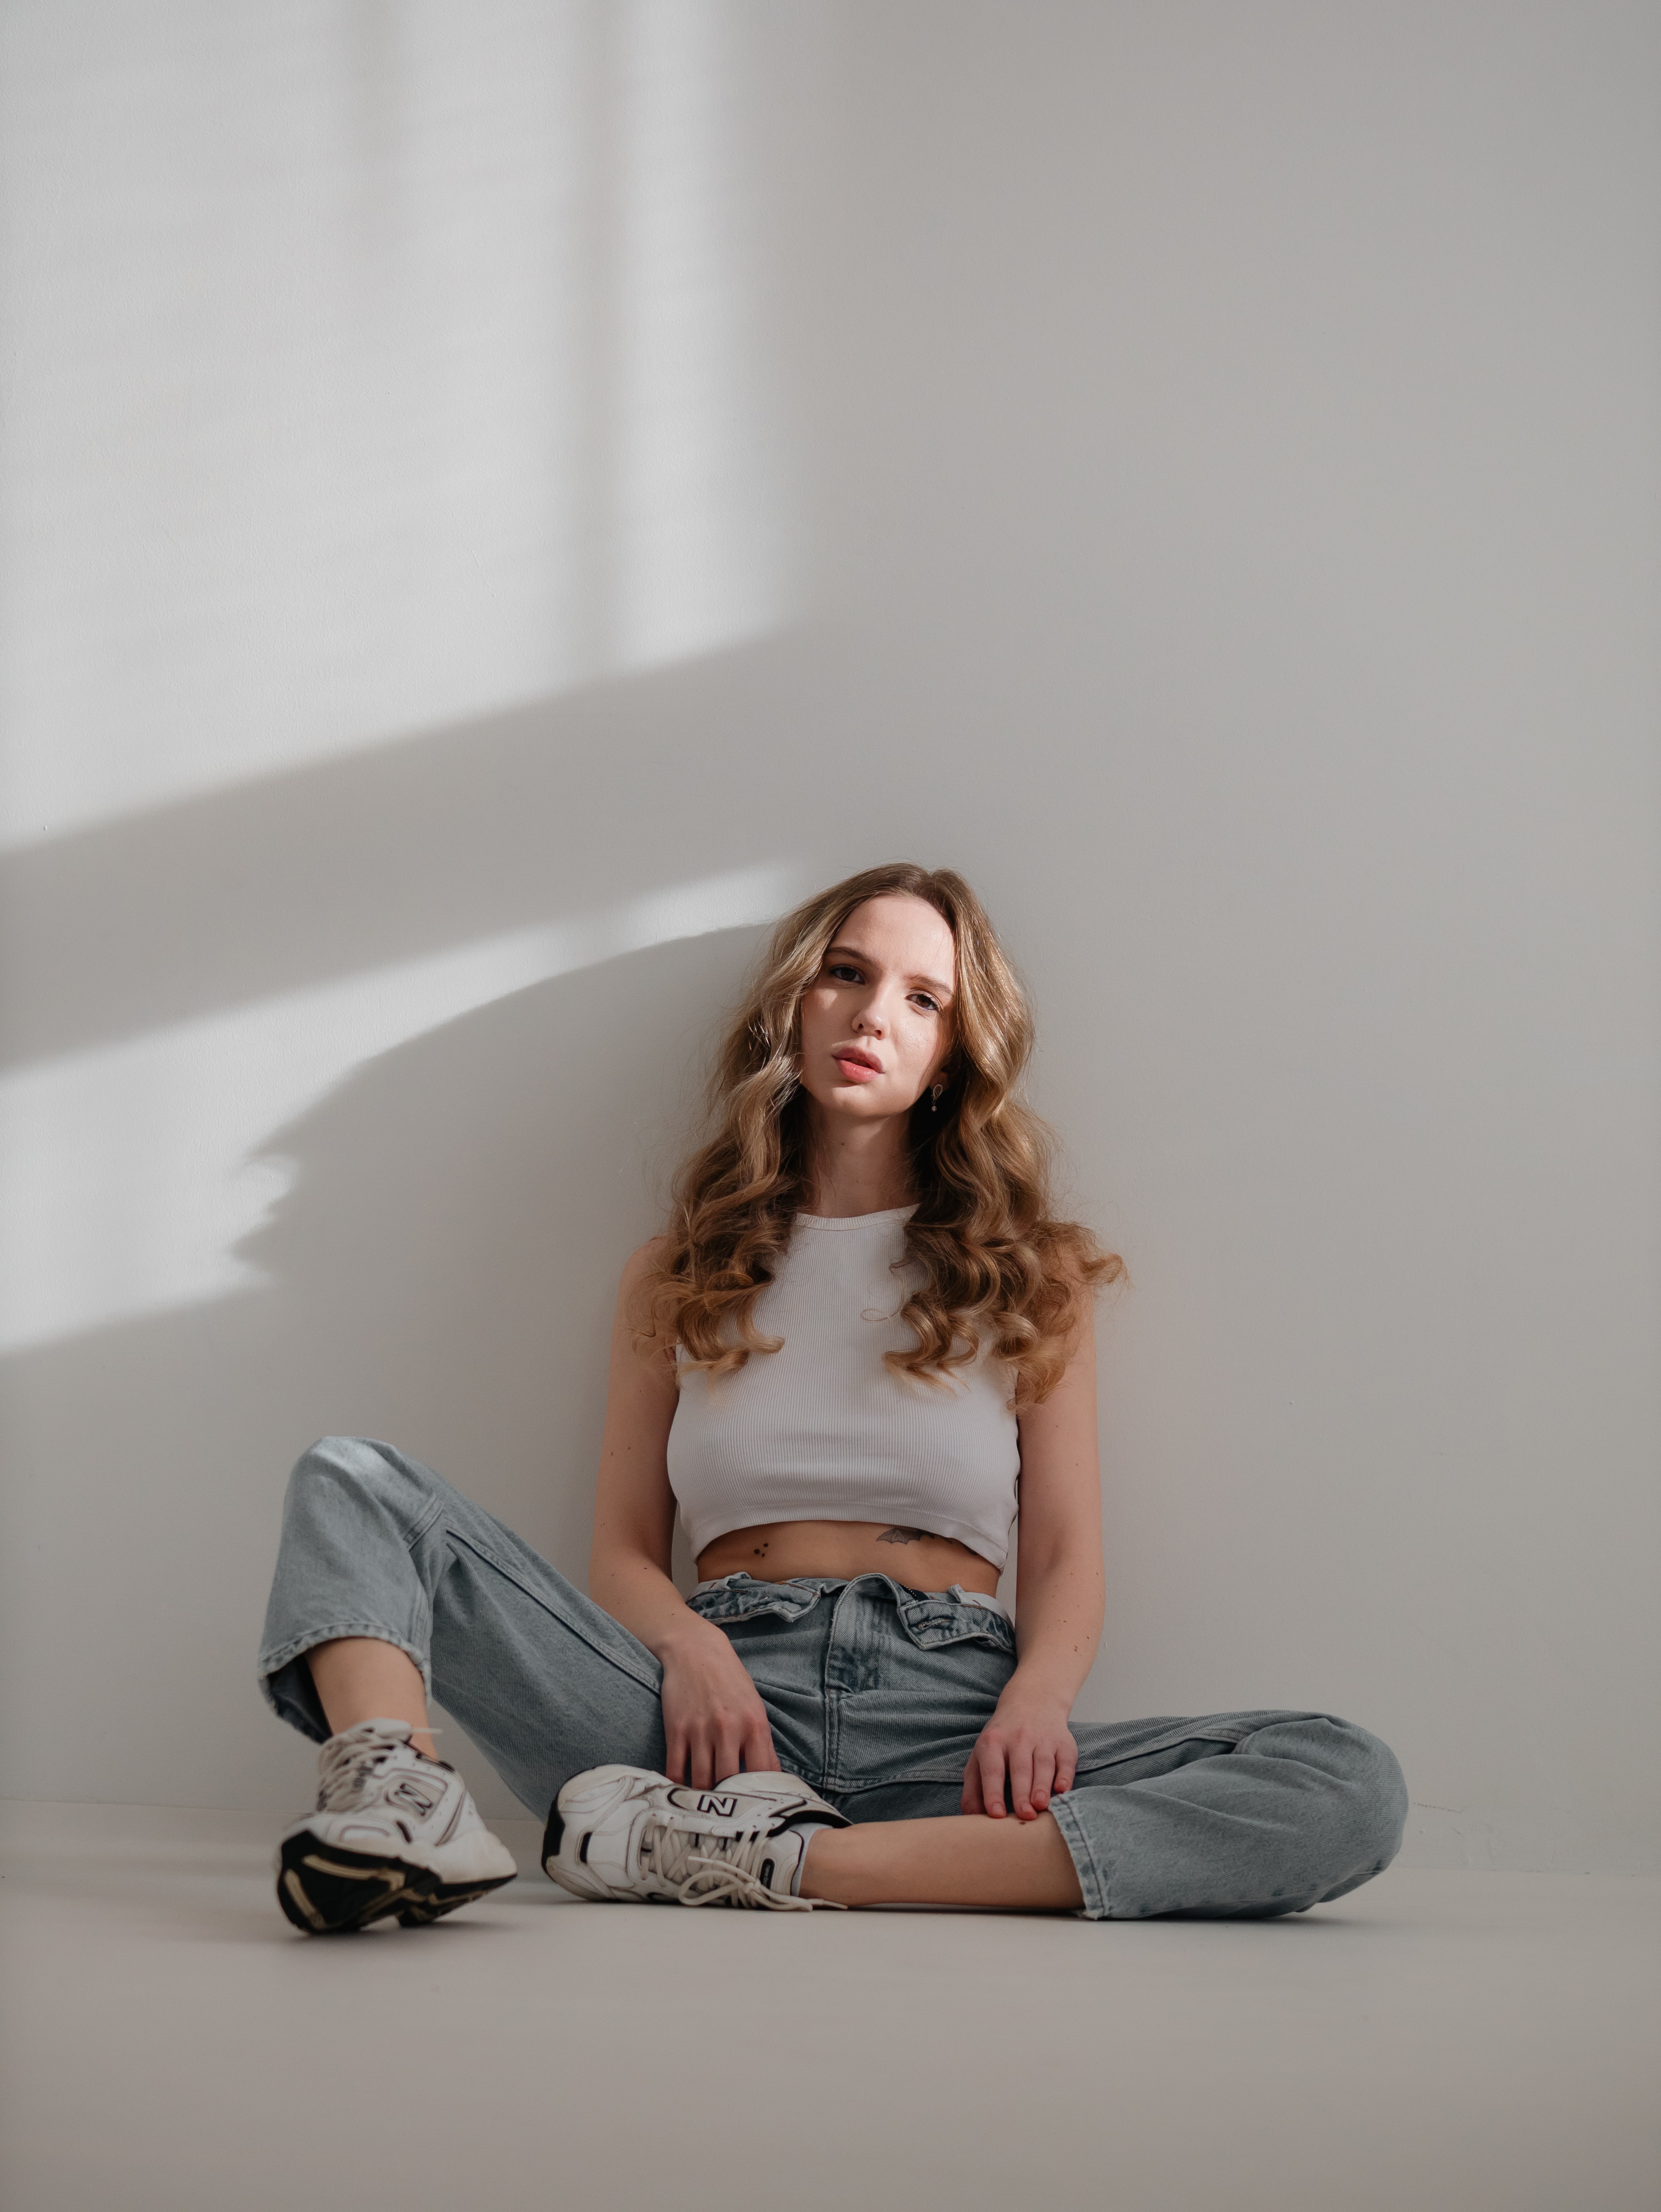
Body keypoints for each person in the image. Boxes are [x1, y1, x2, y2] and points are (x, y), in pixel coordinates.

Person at [260, 862, 1407, 1932]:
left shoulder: (1031, 1274)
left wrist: (1036, 1705)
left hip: (945, 1732)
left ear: (954, 1053)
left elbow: (1061, 1551)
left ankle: (777, 1862)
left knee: (1343, 1780)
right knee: (352, 1480)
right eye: (846, 974)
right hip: (697, 1729)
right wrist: (688, 1651)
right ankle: (401, 1807)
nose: (871, 1016)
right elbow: (621, 1549)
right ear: (791, 1004)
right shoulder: (677, 1271)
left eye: (922, 999)